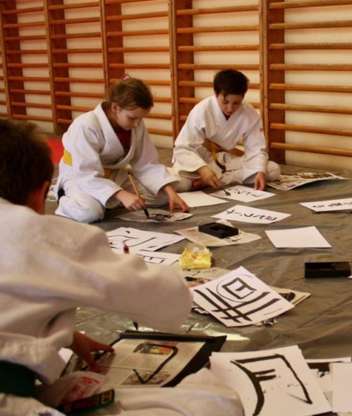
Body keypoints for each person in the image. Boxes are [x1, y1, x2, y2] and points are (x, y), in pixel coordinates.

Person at [0, 120, 240, 415]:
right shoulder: (40, 233)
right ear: (42, 191)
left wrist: (69, 336)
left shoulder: (136, 128)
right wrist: (178, 288)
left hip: (117, 186)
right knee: (216, 404)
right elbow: (150, 294)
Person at [55, 77, 188, 223]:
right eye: (132, 118)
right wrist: (121, 194)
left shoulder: (135, 124)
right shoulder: (85, 126)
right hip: (81, 178)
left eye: (140, 119)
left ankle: (109, 200)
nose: (137, 123)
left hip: (116, 177)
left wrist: (169, 191)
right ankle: (65, 197)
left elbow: (146, 163)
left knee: (162, 196)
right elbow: (85, 173)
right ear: (115, 108)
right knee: (90, 212)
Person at [171, 69, 280, 192]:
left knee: (272, 170)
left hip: (225, 161)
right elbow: (182, 148)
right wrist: (203, 169)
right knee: (183, 183)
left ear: (243, 97)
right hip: (201, 159)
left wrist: (259, 170)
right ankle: (211, 178)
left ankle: (217, 179)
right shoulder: (202, 110)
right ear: (216, 94)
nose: (230, 108)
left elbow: (256, 148)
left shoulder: (249, 113)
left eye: (236, 103)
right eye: (225, 102)